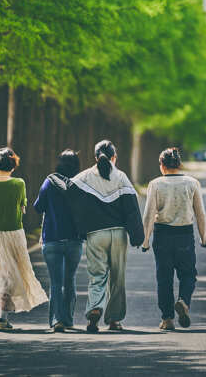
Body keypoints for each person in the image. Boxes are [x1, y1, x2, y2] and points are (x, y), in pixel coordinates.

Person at [70, 140, 144, 333]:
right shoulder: (121, 177)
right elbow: (132, 209)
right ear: (114, 157)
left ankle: (95, 308)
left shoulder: (84, 177)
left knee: (97, 276)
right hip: (118, 235)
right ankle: (114, 320)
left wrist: (79, 226)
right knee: (117, 278)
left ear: (95, 157)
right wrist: (138, 236)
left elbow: (69, 195)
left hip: (96, 235)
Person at [0, 147, 48, 331]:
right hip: (13, 233)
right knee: (10, 273)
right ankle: (2, 317)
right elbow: (22, 206)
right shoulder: (18, 183)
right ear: (13, 164)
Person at [141, 148, 206, 331]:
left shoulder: (155, 184)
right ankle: (184, 301)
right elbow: (200, 213)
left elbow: (149, 215)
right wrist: (204, 238)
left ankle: (167, 319)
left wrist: (145, 240)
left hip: (162, 235)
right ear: (179, 165)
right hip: (184, 235)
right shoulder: (192, 183)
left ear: (162, 165)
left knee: (164, 278)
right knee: (188, 274)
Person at [34, 149, 83, 332]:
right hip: (74, 240)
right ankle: (69, 320)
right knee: (70, 280)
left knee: (55, 282)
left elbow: (38, 207)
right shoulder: (80, 183)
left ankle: (57, 321)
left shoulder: (49, 181)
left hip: (52, 240)